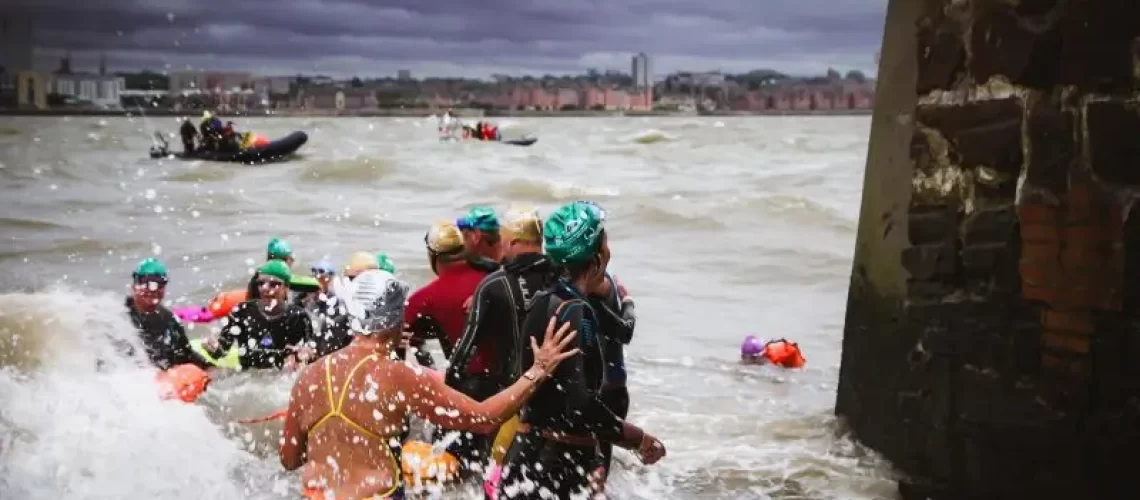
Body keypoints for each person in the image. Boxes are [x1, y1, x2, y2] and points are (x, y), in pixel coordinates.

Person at [279, 270, 580, 500]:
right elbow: (485, 419)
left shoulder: (311, 375)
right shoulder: (399, 376)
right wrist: (538, 370)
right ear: (397, 319)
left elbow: (290, 459)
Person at [496, 201, 666, 499]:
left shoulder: (546, 299)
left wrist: (598, 456)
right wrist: (637, 438)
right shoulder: (576, 310)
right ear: (597, 257)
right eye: (606, 241)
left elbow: (544, 391)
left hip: (530, 456)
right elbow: (578, 405)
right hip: (554, 467)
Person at [445, 206, 554, 474]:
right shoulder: (563, 277)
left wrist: (448, 399)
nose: (500, 245)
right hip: (559, 410)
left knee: (497, 482)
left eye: (504, 239)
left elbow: (463, 353)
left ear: (515, 241)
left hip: (514, 403)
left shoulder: (493, 285)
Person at [404, 221, 489, 367]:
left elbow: (397, 338)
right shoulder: (494, 278)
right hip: (515, 378)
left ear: (432, 256)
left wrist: (430, 373)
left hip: (462, 384)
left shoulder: (423, 299)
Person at [204, 260, 315, 370]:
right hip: (248, 379)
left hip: (280, 380)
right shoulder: (241, 312)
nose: (265, 288)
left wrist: (304, 354)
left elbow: (312, 355)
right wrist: (213, 348)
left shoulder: (298, 316)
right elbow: (222, 352)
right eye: (261, 283)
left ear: (286, 288)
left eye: (273, 284)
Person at [591, 271, 637, 482]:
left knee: (596, 467)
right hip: (612, 390)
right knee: (599, 463)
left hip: (603, 395)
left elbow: (625, 331)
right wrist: (627, 302)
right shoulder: (605, 280)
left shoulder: (586, 294)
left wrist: (628, 302)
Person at [124, 258, 209, 370]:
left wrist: (211, 368)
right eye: (148, 283)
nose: (154, 290)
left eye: (161, 284)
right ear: (135, 285)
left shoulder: (169, 320)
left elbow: (186, 355)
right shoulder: (121, 316)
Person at [740, 335, 806, 368]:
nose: (747, 361)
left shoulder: (770, 358)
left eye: (753, 358)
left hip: (794, 361)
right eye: (744, 357)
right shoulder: (763, 355)